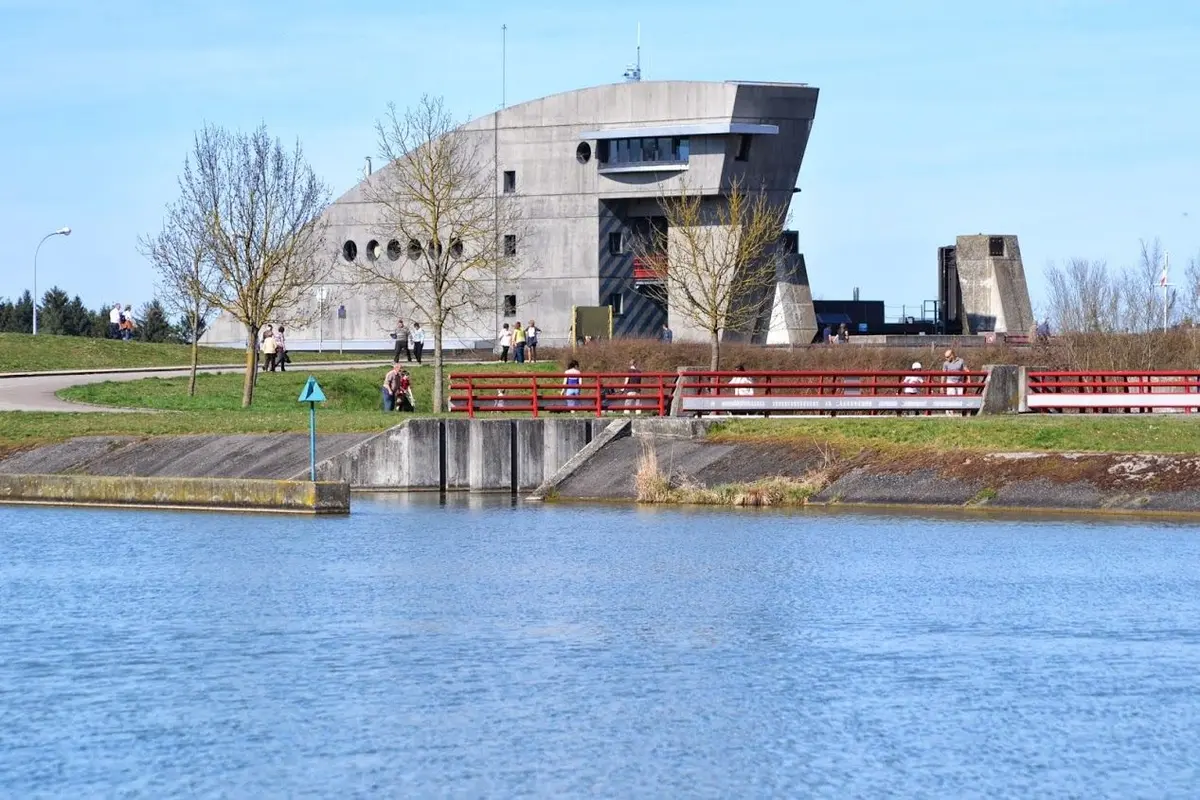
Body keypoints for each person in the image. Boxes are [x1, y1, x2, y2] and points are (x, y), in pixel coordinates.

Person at [942, 348, 967, 415]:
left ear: (952, 355)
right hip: (950, 381)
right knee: (951, 396)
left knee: (960, 397)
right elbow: (943, 374)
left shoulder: (961, 361)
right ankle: (949, 411)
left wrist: (969, 380)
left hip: (959, 381)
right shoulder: (945, 363)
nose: (946, 358)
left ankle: (962, 412)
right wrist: (942, 386)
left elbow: (966, 370)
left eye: (947, 357)